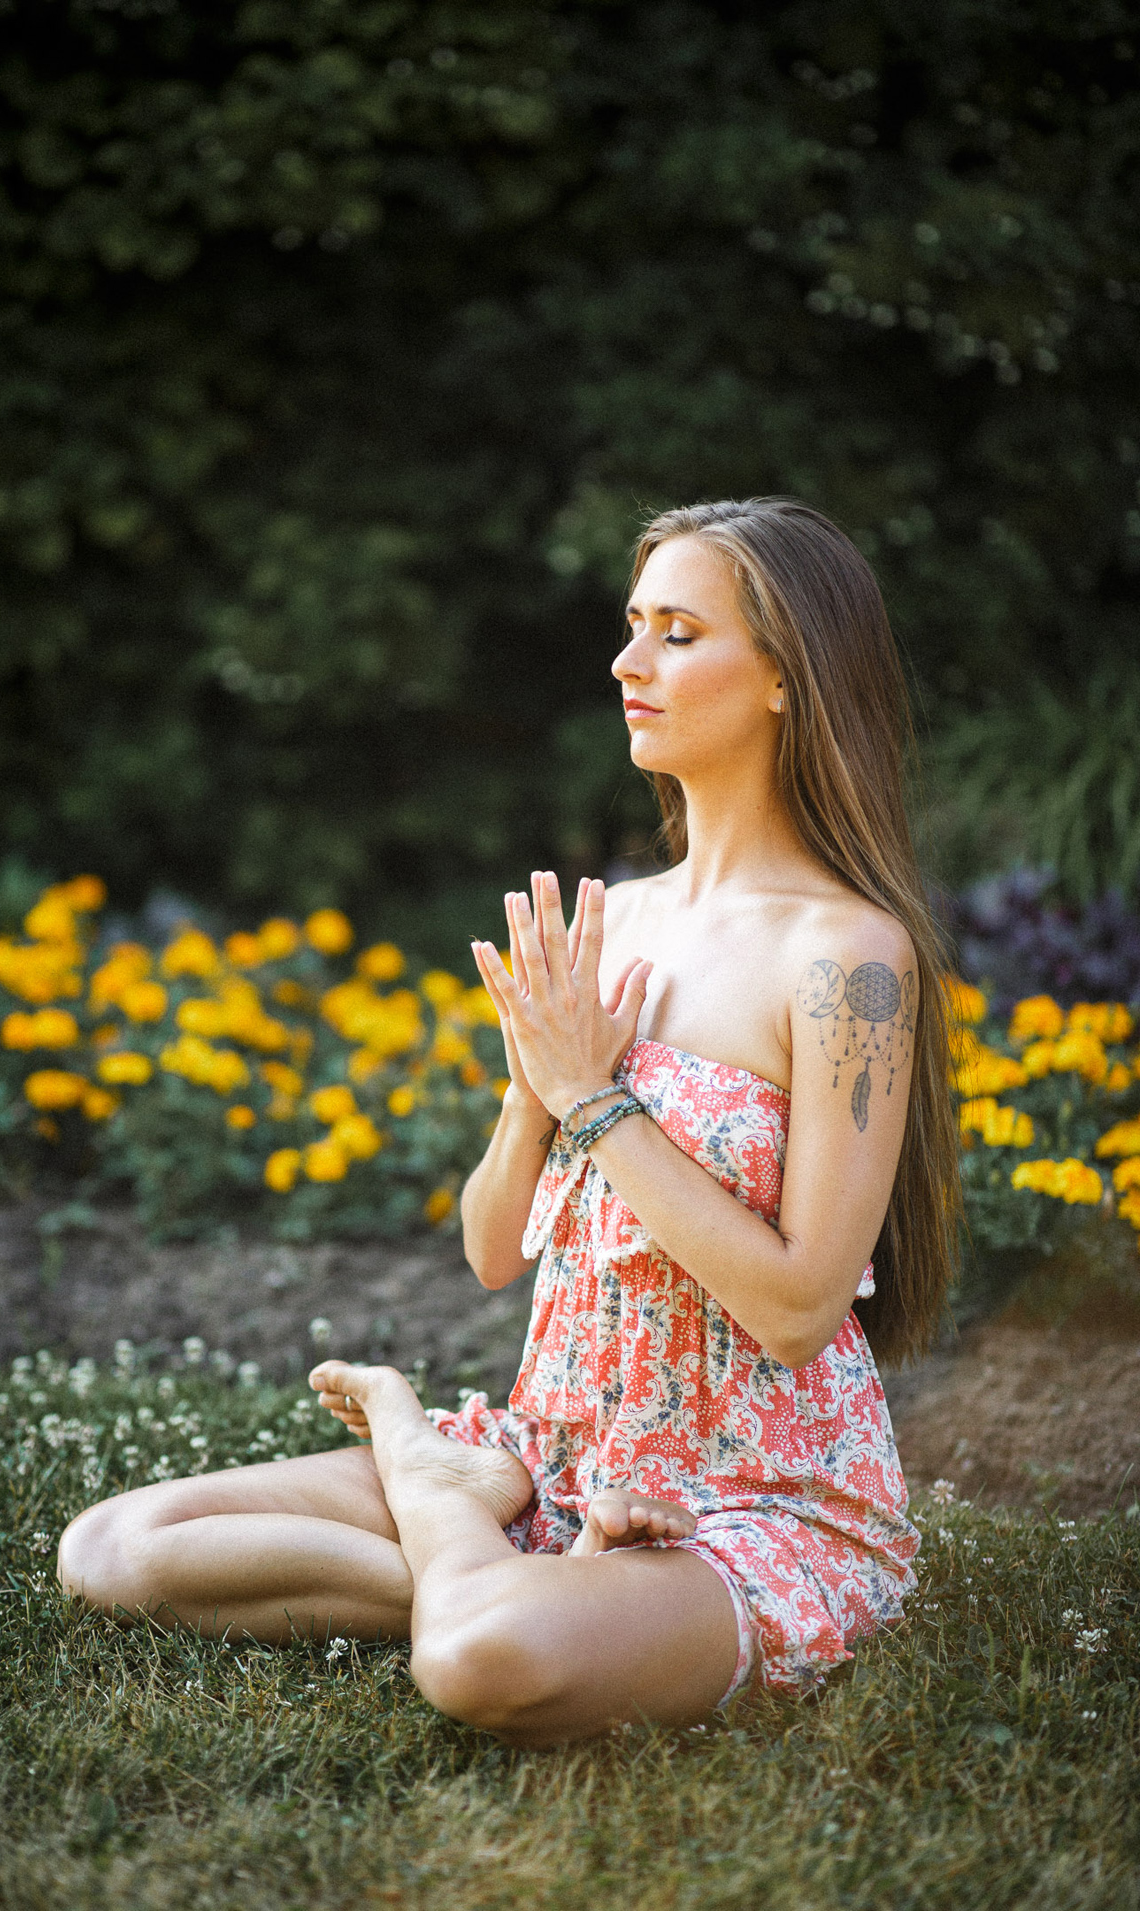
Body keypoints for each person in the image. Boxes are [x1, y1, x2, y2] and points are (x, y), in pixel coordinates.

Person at [55, 497, 961, 1746]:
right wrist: (534, 1088)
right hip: (546, 1449)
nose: (626, 664)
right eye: (632, 627)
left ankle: (444, 1503)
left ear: (786, 682)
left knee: (483, 1659)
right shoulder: (619, 920)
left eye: (678, 634)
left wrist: (594, 1097)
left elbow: (802, 1305)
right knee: (112, 1547)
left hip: (744, 1503)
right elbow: (492, 1249)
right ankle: (498, 1535)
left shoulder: (850, 961)